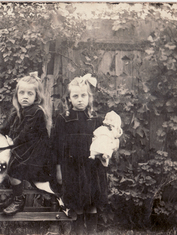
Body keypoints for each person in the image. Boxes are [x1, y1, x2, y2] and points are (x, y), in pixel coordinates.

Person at [53, 74, 107, 235]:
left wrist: (104, 154)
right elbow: (56, 146)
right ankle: (77, 231)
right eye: (75, 96)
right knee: (76, 201)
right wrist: (58, 169)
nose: (79, 99)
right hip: (71, 168)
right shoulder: (63, 119)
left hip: (92, 167)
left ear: (89, 97)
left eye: (83, 95)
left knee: (91, 200)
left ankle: (91, 231)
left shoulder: (95, 119)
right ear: (69, 99)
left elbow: (104, 141)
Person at [0, 72, 53, 216]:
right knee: (6, 161)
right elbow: (5, 128)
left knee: (15, 167)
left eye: (30, 93)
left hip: (37, 153)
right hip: (24, 149)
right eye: (21, 93)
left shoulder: (36, 112)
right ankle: (15, 194)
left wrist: (12, 143)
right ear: (17, 95)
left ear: (36, 96)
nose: (25, 96)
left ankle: (18, 200)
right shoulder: (17, 110)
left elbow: (25, 134)